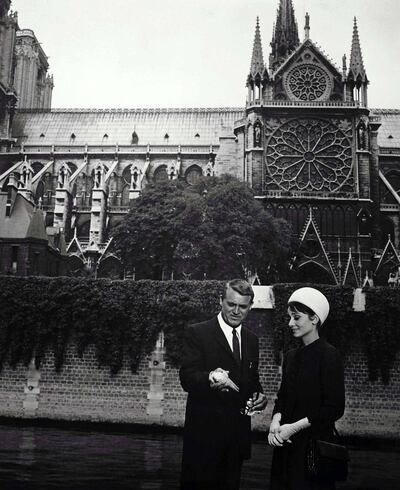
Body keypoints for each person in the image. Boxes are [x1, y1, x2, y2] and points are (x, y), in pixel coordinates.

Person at [180, 278, 268, 490]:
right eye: (232, 304)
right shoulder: (198, 332)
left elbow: (250, 379)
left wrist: (260, 396)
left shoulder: (251, 340)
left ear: (250, 307)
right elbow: (187, 377)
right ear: (221, 301)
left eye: (243, 306)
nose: (236, 311)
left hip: (236, 442)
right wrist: (210, 378)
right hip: (203, 442)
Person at [268, 287, 345, 490]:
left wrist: (294, 427)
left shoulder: (330, 356)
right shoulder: (292, 356)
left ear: (314, 319)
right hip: (285, 447)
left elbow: (335, 408)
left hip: (313, 450)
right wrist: (275, 422)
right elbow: (282, 398)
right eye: (290, 317)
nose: (290, 323)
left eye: (296, 317)